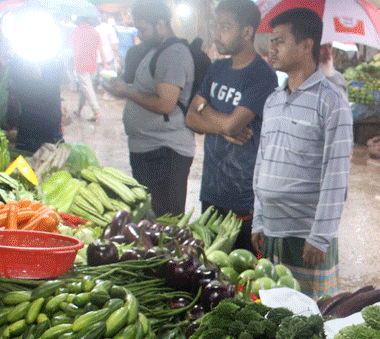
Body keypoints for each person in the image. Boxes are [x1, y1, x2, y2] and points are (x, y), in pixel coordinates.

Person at [252, 8, 353, 298]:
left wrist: (320, 236)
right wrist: (259, 218)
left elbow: (336, 176)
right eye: (272, 41)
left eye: (280, 41)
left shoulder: (332, 102)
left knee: (312, 322)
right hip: (271, 231)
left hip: (306, 236)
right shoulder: (272, 101)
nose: (272, 48)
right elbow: (262, 162)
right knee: (272, 314)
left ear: (307, 45)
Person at [185, 0, 277, 252]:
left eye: (224, 27)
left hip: (243, 197)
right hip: (211, 191)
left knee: (240, 272)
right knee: (207, 267)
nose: (216, 34)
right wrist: (220, 125)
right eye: (216, 26)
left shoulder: (262, 74)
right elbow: (190, 118)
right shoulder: (217, 68)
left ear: (247, 32)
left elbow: (233, 123)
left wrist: (206, 111)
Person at [104, 0, 195, 217]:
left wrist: (126, 92)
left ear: (161, 24)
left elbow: (166, 103)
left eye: (143, 29)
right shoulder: (156, 51)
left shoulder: (174, 54)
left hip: (164, 153)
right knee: (149, 219)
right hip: (150, 151)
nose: (140, 34)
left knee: (164, 222)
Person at [72, 17, 103, 122]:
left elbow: (71, 44)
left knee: (87, 88)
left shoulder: (78, 30)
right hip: (92, 64)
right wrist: (105, 62)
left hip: (80, 63)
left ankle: (96, 111)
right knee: (84, 88)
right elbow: (100, 47)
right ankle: (79, 110)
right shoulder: (95, 31)